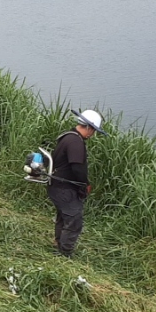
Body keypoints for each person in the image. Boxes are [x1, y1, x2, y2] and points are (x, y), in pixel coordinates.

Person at [48, 109, 106, 257]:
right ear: (88, 127)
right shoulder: (76, 142)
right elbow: (77, 168)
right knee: (74, 221)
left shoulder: (68, 136)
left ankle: (58, 243)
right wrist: (84, 184)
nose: (92, 135)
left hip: (56, 185)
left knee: (64, 216)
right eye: (93, 131)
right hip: (64, 188)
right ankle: (64, 252)